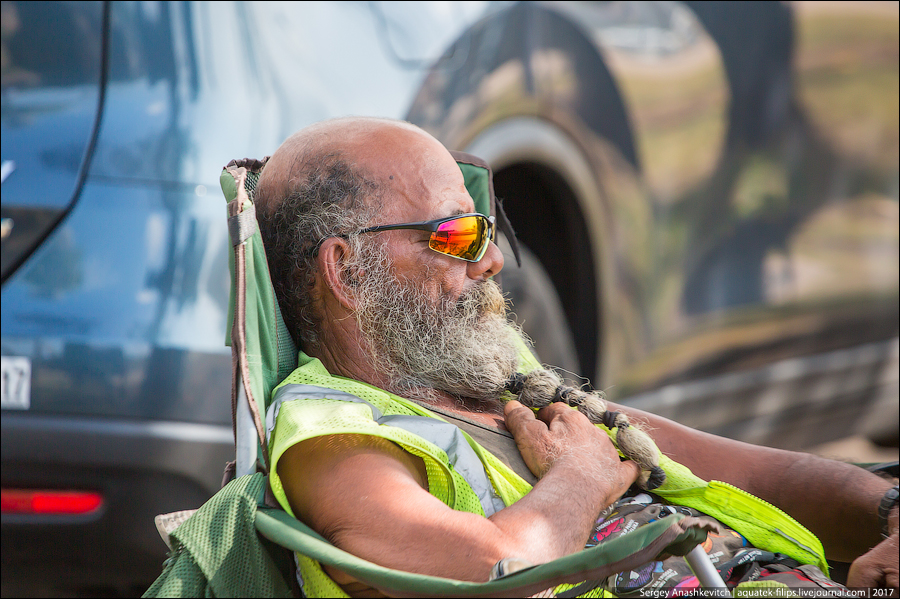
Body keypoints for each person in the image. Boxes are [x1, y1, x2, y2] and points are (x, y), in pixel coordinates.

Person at [253, 116, 898, 597]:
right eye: (455, 233)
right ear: (348, 271)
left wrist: (885, 513)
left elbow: (735, 471)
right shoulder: (335, 437)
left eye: (487, 229)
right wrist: (582, 480)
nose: (493, 259)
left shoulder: (483, 376)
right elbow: (491, 568)